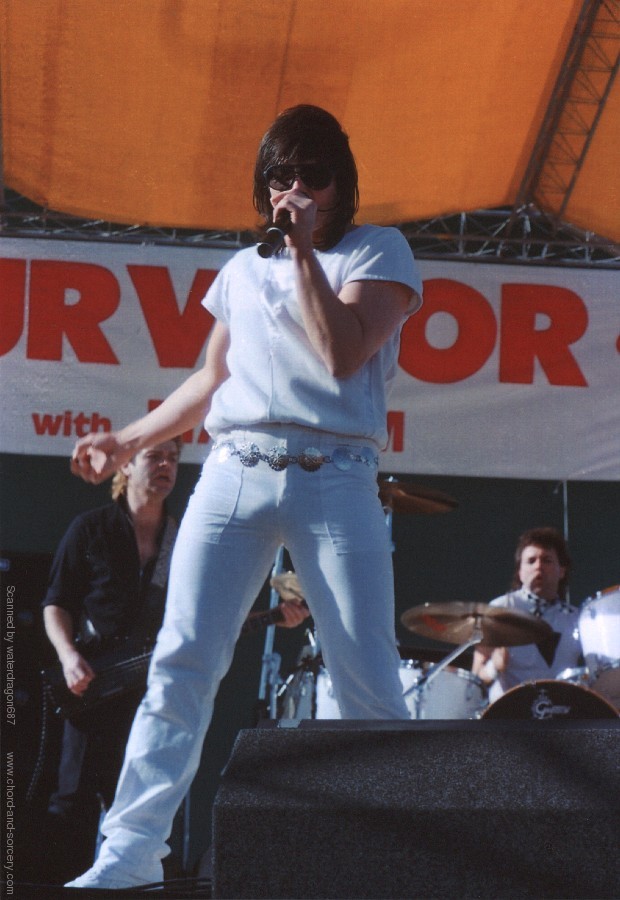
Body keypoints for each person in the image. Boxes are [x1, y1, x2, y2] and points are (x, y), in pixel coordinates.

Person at [65, 104, 423, 889]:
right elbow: (209, 379)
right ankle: (127, 858)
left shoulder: (377, 251)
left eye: (311, 175)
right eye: (279, 176)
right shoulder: (240, 270)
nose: (293, 188)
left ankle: (394, 861)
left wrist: (299, 255)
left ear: (340, 185)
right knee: (182, 662)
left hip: (335, 474)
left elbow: (342, 352)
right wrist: (126, 440)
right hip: (234, 467)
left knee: (367, 675)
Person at [42, 438, 305, 883]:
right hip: (93, 686)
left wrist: (276, 617)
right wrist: (68, 656)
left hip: (149, 692)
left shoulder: (183, 538)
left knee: (146, 803)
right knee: (72, 800)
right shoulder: (90, 529)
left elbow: (202, 622)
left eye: (174, 458)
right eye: (155, 456)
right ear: (126, 466)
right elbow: (56, 603)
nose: (167, 465)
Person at [472, 527, 581, 703]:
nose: (538, 566)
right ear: (520, 572)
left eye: (547, 560)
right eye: (531, 561)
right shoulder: (499, 609)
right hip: (508, 715)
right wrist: (494, 667)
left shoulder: (577, 619)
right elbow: (475, 678)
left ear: (562, 570)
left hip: (561, 715)